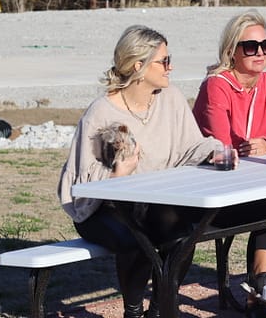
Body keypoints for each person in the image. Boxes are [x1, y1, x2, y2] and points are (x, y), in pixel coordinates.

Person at [58, 25, 228, 318]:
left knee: (183, 232)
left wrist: (216, 151)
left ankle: (161, 307)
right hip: (102, 209)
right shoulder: (101, 111)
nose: (170, 67)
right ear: (139, 65)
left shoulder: (170, 98)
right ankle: (133, 312)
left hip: (152, 202)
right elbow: (81, 183)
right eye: (164, 60)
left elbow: (190, 146)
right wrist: (118, 174)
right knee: (138, 240)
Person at [192, 9, 266, 315]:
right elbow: (222, 142)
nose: (260, 53)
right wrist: (252, 148)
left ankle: (260, 285)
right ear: (232, 50)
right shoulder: (216, 84)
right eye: (251, 46)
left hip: (250, 184)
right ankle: (257, 289)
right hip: (209, 190)